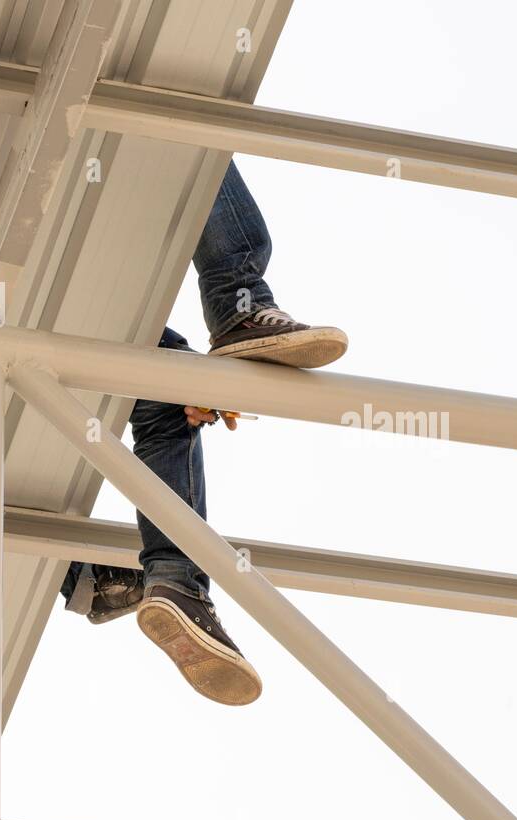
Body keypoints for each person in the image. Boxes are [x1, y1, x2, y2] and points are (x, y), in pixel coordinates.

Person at [60, 161, 346, 707]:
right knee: (191, 134)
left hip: (15, 321)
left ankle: (172, 581)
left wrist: (180, 372)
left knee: (168, 399)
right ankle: (238, 301)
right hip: (4, 300)